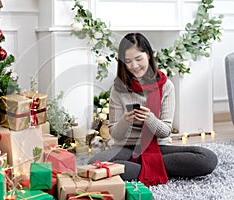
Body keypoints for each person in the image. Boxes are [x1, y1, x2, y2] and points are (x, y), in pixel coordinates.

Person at [88, 33, 218, 186]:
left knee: (207, 158)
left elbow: (165, 131)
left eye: (138, 59)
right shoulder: (118, 88)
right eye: (128, 61)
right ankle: (156, 168)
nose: (134, 66)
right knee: (95, 162)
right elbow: (115, 134)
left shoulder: (166, 86)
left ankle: (144, 168)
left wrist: (149, 118)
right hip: (127, 147)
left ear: (148, 55)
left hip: (159, 147)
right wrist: (125, 120)